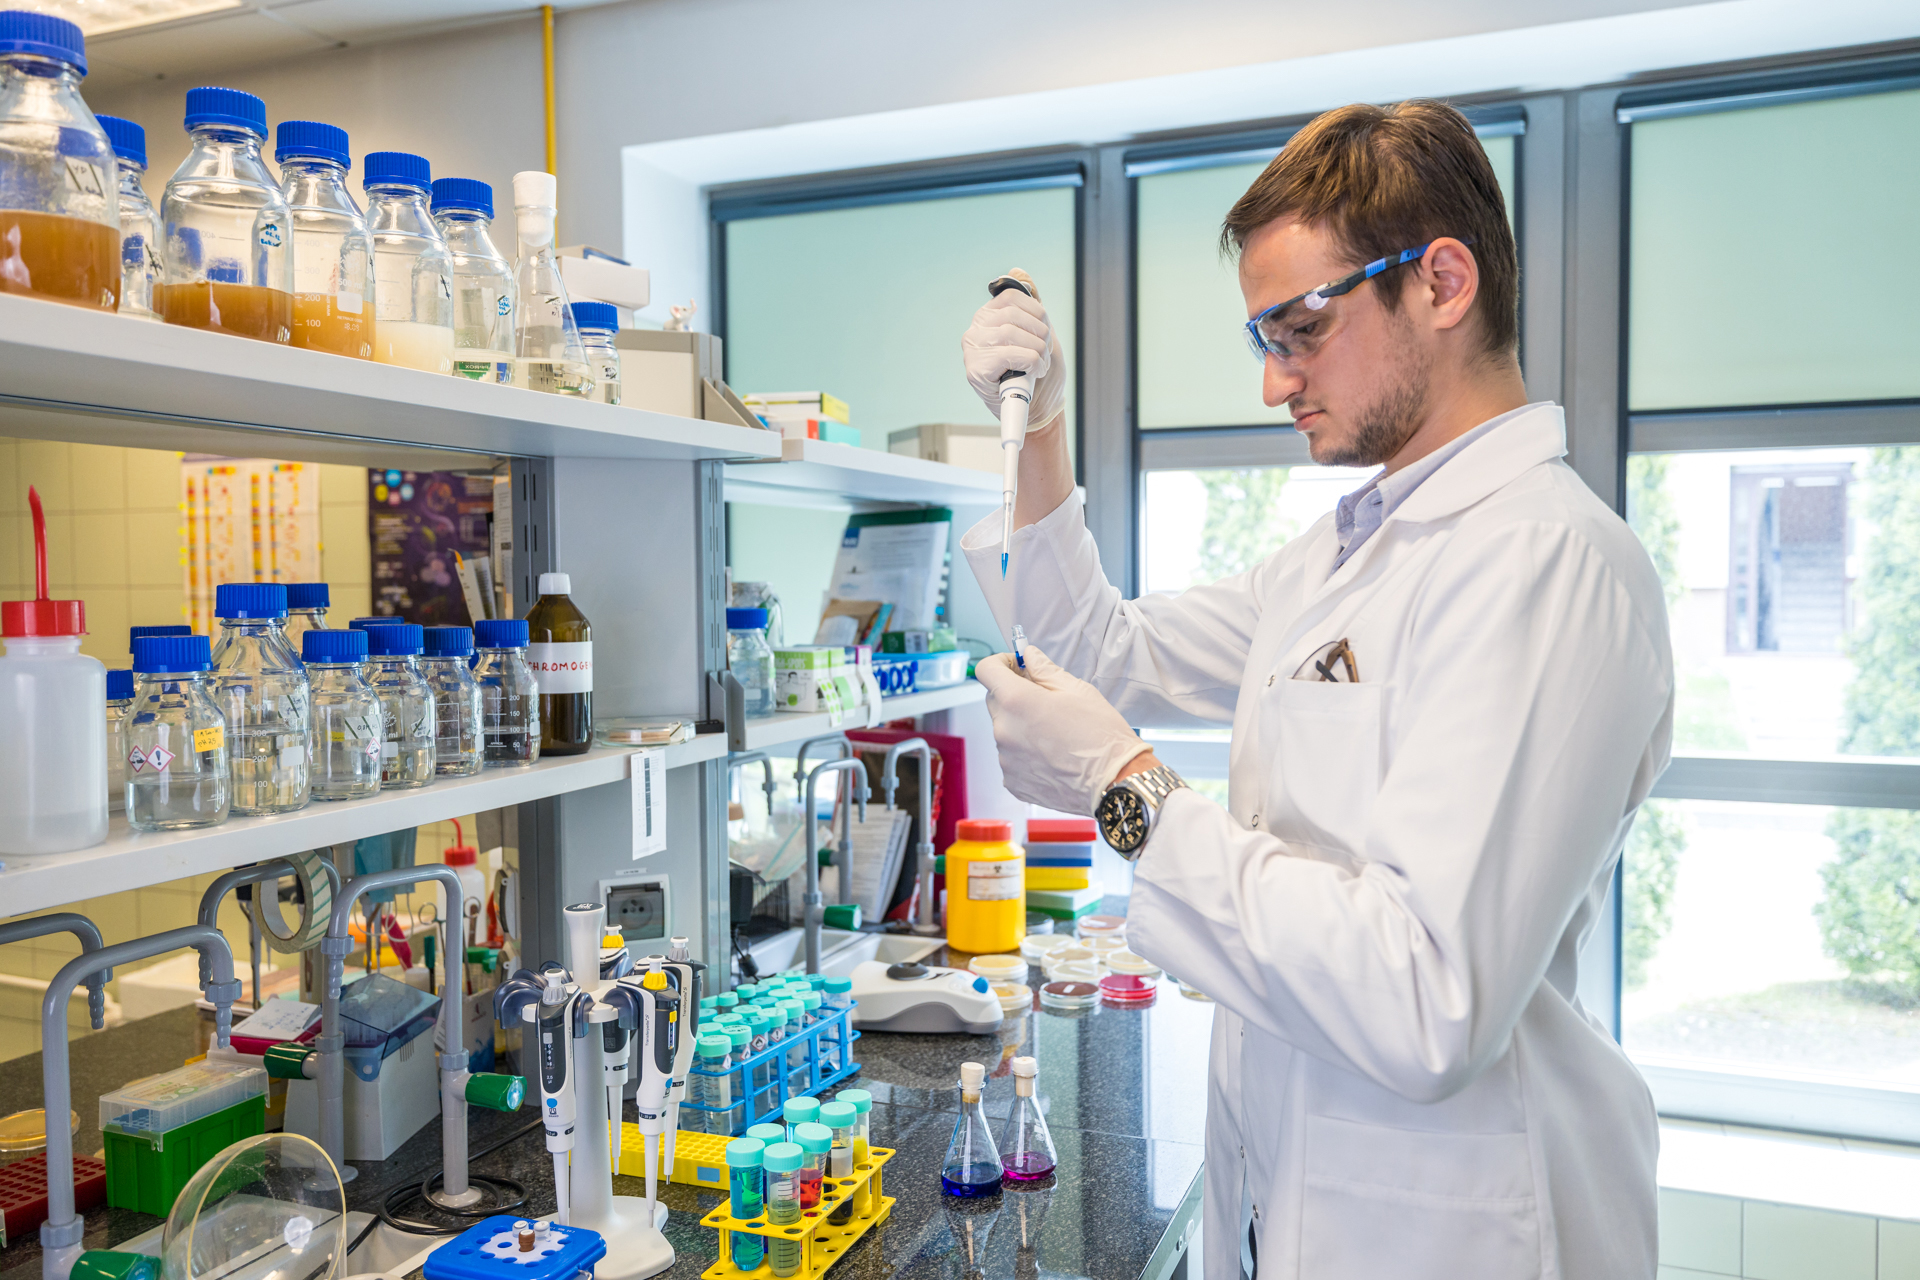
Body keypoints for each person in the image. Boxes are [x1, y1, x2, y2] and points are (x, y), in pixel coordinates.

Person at [959, 100, 1673, 1280]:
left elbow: (1427, 995)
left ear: (1442, 282)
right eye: (1263, 338)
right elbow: (1098, 651)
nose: (1272, 381)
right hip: (1294, 1194)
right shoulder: (1341, 560)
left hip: (1456, 1229)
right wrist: (1039, 424)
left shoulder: (1547, 561)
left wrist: (1127, 789)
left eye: (1300, 328)